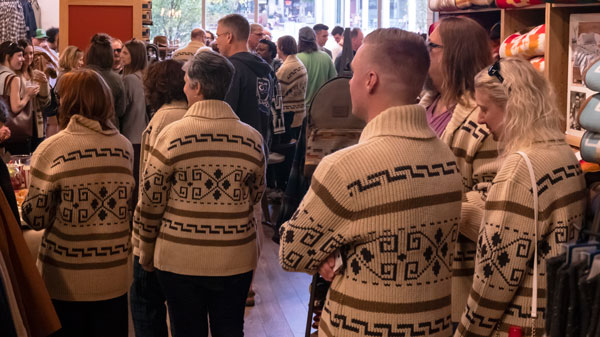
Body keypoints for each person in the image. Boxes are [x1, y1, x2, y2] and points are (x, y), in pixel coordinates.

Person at [279, 28, 463, 337]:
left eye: (352, 74)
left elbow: (291, 251)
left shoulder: (346, 168)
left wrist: (333, 254)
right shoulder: (445, 158)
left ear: (370, 80)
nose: (348, 82)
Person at [134, 51, 265, 337]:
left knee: (186, 330)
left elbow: (151, 200)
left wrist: (145, 250)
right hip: (235, 257)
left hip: (179, 257)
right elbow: (256, 194)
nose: (183, 87)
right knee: (230, 329)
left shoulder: (172, 135)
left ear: (197, 87)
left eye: (186, 81)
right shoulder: (252, 139)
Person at [455, 57, 586, 337]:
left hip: (517, 325)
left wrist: (465, 333)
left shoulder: (520, 169)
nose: (479, 119)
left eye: (484, 108)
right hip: (554, 318)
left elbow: (494, 279)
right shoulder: (561, 152)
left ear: (513, 106)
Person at [21, 68, 135, 337]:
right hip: (115, 271)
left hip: (66, 276)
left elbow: (35, 217)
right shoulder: (123, 146)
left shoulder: (53, 148)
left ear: (67, 101)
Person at [422, 16, 500, 326]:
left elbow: (492, 206)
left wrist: (428, 203)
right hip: (420, 272)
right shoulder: (425, 104)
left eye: (432, 46)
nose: (425, 53)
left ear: (455, 55)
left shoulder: (483, 122)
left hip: (456, 279)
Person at [130, 59, 187, 337]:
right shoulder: (189, 112)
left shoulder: (163, 118)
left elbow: (150, 185)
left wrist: (143, 243)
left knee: (145, 302)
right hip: (183, 233)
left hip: (161, 230)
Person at [217, 14, 277, 142]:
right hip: (260, 144)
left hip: (238, 147)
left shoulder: (231, 69)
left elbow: (225, 115)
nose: (216, 41)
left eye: (218, 35)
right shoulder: (265, 69)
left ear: (229, 37)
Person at [0, 41, 40, 154]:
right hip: (14, 134)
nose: (23, 59)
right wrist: (28, 95)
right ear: (8, 57)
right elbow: (16, 107)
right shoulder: (13, 79)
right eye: (19, 55)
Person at [16, 39, 50, 152]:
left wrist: (44, 84)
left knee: (36, 154)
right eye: (25, 54)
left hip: (37, 122)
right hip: (21, 123)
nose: (28, 57)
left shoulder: (36, 74)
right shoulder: (14, 76)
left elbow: (45, 103)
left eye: (31, 53)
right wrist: (27, 95)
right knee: (22, 156)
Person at [86, 33, 125, 129]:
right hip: (109, 128)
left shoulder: (79, 77)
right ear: (109, 55)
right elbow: (121, 110)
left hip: (85, 128)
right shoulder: (116, 79)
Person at [297, 26, 336, 111]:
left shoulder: (297, 59)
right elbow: (334, 82)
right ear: (315, 39)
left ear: (299, 40)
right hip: (322, 108)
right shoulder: (326, 57)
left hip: (302, 109)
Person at [276, 35, 307, 139]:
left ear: (282, 48)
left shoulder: (286, 68)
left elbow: (277, 92)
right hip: (299, 113)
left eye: (277, 46)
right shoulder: (297, 63)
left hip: (289, 116)